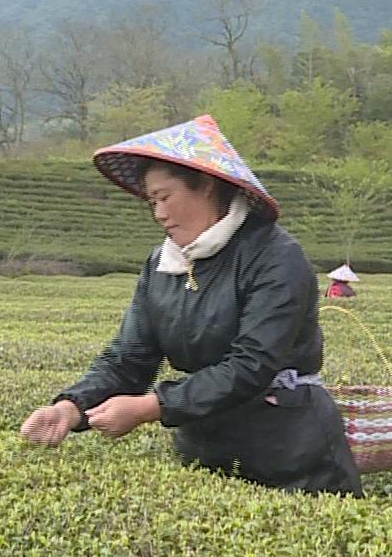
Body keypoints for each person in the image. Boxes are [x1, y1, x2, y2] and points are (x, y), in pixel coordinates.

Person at [19, 115, 363, 496]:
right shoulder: (162, 265)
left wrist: (151, 407)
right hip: (204, 451)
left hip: (291, 455)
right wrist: (70, 408)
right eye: (152, 202)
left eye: (165, 197)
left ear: (207, 185)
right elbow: (128, 359)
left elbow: (251, 365)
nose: (159, 214)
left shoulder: (275, 257)